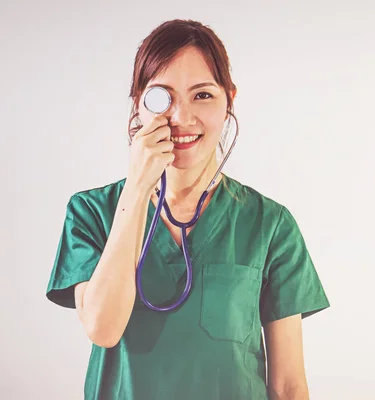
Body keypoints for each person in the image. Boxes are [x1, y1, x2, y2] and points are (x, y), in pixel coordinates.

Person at [45, 19, 330, 400]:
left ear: (230, 99)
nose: (181, 118)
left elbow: (289, 385)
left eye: (203, 95)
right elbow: (103, 328)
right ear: (138, 104)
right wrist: (137, 187)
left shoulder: (271, 225)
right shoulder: (91, 213)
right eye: (162, 97)